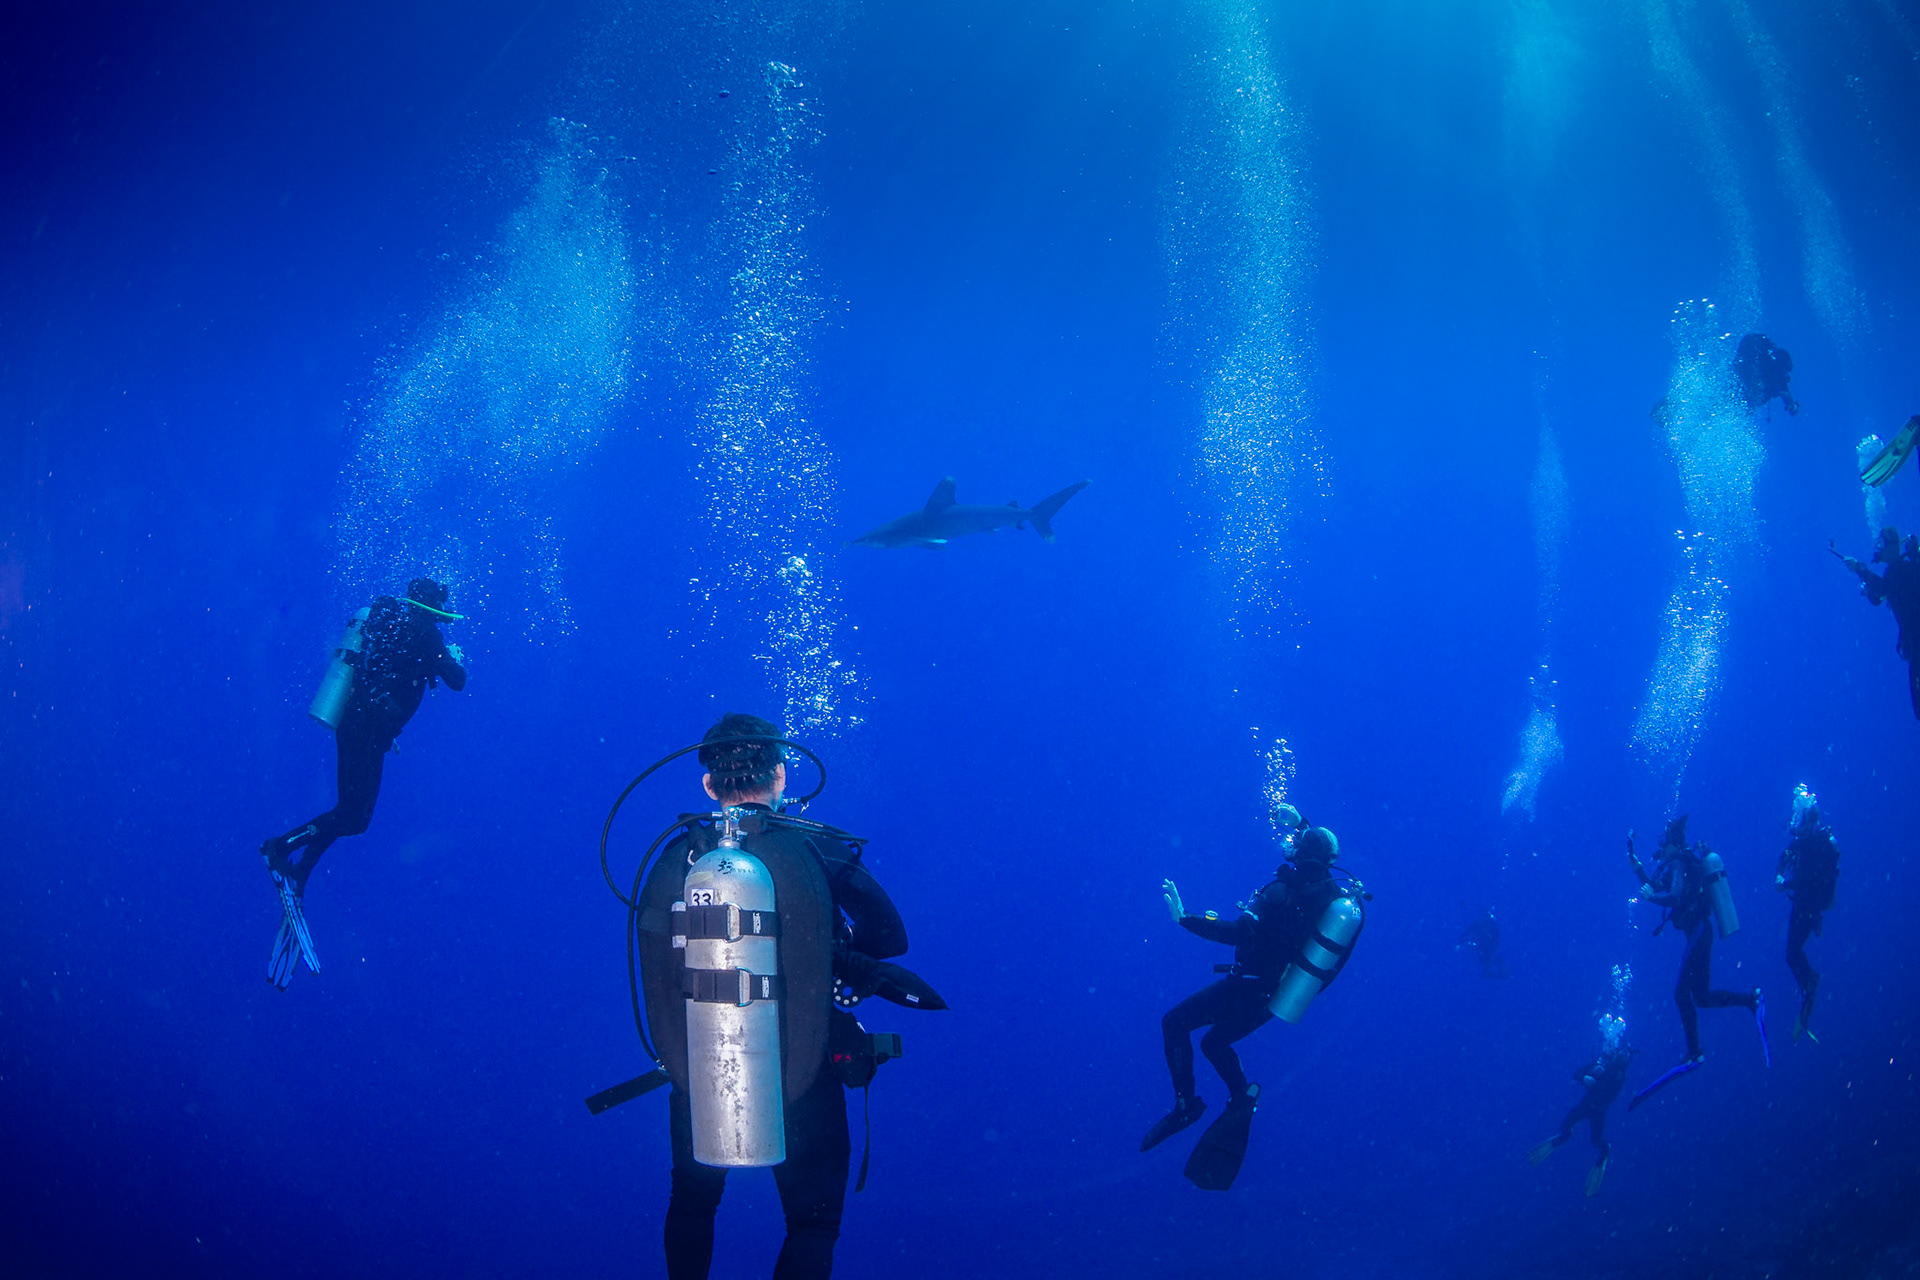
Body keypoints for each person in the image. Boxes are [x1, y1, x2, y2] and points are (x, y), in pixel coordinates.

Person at [638, 714, 914, 1280]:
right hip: (804, 1069)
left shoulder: (674, 860)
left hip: (700, 1070)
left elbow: (654, 967)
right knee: (812, 1222)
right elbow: (892, 938)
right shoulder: (819, 850)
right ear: (782, 776)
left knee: (692, 1204)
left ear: (709, 786)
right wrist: (838, 952)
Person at [259, 578, 466, 987]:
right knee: (355, 817)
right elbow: (458, 680)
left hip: (354, 724)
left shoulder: (388, 619)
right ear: (433, 611)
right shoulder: (426, 634)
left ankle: (300, 870)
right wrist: (454, 656)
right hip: (369, 733)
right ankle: (280, 848)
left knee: (350, 813)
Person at [1143, 814, 1354, 1188]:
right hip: (1274, 995)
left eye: (1295, 842)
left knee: (1174, 1023)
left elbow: (1236, 933)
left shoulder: (1279, 892)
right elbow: (1318, 848)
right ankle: (1240, 1095)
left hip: (1245, 990)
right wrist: (1303, 821)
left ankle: (1186, 1106)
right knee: (1213, 1042)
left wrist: (1184, 919)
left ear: (1301, 852)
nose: (1288, 844)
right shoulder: (1330, 896)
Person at [1626, 817, 1762, 1107]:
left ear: (1673, 842)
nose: (1661, 847)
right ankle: (1751, 1000)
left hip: (1699, 933)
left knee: (1681, 994)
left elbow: (1673, 898)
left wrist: (1651, 899)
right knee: (1699, 997)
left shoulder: (1679, 863)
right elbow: (1654, 885)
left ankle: (1694, 1051)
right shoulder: (1682, 863)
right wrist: (1637, 867)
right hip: (1700, 934)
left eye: (1664, 842)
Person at [1528, 1040, 1635, 1197]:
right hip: (1586, 1105)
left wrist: (1596, 1080)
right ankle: (1564, 1138)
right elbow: (1576, 1074)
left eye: (1611, 1051)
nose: (1607, 1054)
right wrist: (1585, 1077)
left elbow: (1611, 1094)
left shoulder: (1618, 1073)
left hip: (1598, 1112)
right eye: (1606, 1050)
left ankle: (1604, 1152)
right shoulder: (1599, 1063)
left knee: (1596, 1141)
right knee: (1566, 1127)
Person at [1834, 527, 1920, 718]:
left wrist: (1860, 569)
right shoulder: (1903, 569)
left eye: (1881, 544)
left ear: (1893, 546)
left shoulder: (1900, 569)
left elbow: (1882, 590)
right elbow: (1879, 596)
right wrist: (1863, 576)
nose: (1879, 549)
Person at [1776, 790, 1839, 1043]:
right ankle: (1809, 983)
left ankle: (1810, 984)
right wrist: (1779, 875)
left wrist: (1786, 884)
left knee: (1792, 953)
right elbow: (1785, 857)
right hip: (1806, 905)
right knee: (1792, 952)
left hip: (1808, 904)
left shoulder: (1817, 845)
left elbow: (1807, 880)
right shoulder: (1803, 841)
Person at [1735, 333, 1799, 415]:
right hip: (1744, 394)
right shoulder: (1772, 373)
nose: (1786, 375)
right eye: (1786, 370)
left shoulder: (1769, 370)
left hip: (1739, 391)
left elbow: (1786, 394)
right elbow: (1786, 395)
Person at [1456, 906, 1510, 979]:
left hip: (1488, 947)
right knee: (1486, 965)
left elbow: (1497, 937)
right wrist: (1460, 943)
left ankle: (1500, 974)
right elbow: (1467, 933)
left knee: (1487, 966)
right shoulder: (1477, 924)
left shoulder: (1491, 924)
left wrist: (1461, 943)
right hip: (1481, 947)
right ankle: (1499, 973)